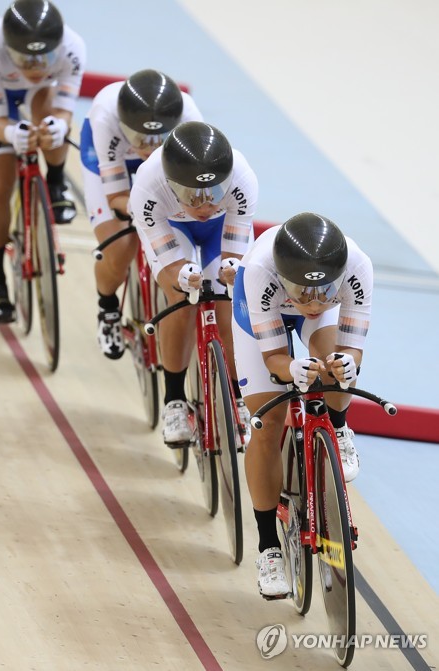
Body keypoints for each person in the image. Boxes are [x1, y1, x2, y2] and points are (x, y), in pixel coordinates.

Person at [231, 212, 373, 598]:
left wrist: (345, 363)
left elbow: (352, 351)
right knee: (267, 422)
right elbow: (274, 357)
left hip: (304, 305)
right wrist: (290, 367)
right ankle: (268, 547)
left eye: (324, 291)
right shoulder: (261, 271)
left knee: (335, 366)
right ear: (284, 276)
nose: (313, 302)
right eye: (304, 291)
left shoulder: (358, 267)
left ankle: (338, 428)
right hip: (262, 308)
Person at [130, 121, 259, 446]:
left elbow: (234, 254)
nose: (205, 206)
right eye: (193, 196)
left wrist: (232, 270)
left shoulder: (243, 179)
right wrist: (183, 276)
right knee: (181, 297)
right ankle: (174, 400)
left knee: (230, 301)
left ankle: (238, 396)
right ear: (172, 185)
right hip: (173, 229)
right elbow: (171, 265)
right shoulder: (148, 186)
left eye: (214, 193)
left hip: (221, 230)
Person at [0, 0, 86, 324]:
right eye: (25, 58)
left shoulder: (73, 47)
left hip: (42, 92)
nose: (35, 65)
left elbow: (65, 111)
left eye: (44, 57)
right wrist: (9, 132)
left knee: (51, 123)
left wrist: (59, 127)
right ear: (10, 49)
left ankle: (55, 182)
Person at [80, 69, 203, 359]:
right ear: (125, 126)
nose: (149, 147)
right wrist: (141, 212)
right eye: (141, 137)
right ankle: (107, 308)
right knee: (119, 246)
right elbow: (116, 197)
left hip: (167, 166)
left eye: (158, 138)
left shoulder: (190, 118)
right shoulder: (105, 116)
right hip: (115, 157)